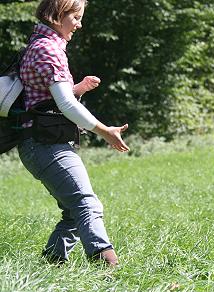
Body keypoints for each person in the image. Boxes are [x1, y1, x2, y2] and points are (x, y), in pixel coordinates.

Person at [18, 0, 129, 266]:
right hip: (44, 144)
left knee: (72, 212)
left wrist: (78, 88)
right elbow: (65, 105)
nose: (79, 24)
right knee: (87, 205)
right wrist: (105, 131)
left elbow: (51, 99)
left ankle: (51, 265)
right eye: (76, 17)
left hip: (38, 143)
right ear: (57, 15)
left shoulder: (43, 45)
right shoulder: (47, 49)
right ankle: (109, 269)